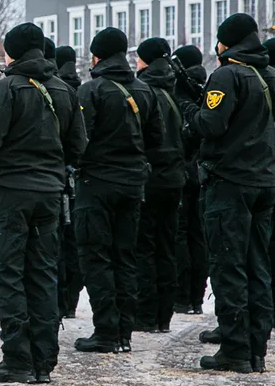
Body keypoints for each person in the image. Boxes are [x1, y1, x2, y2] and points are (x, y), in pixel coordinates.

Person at [0, 23, 87, 383]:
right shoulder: (64, 91)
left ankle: (17, 358)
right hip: (50, 194)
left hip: (9, 194)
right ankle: (44, 359)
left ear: (11, 52)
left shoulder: (5, 89)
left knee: (7, 273)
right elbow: (79, 146)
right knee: (43, 273)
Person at [180, 14, 275, 373]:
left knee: (228, 263)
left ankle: (234, 349)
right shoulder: (268, 74)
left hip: (229, 182)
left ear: (226, 42)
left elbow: (211, 125)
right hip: (263, 180)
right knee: (258, 266)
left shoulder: (227, 74)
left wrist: (190, 110)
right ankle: (256, 349)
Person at [72, 28, 162, 355]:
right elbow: (156, 141)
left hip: (96, 184)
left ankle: (106, 331)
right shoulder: (145, 90)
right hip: (133, 184)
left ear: (96, 56)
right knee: (125, 255)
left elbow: (79, 141)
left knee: (97, 256)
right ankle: (124, 331)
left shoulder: (91, 91)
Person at [133, 38, 186, 334]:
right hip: (175, 177)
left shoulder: (145, 91)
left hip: (151, 178)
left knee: (145, 246)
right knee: (167, 247)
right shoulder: (177, 88)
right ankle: (164, 315)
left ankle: (146, 313)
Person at [172, 44, 208, 316]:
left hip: (184, 171)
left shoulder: (182, 90)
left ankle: (183, 295)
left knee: (181, 234)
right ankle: (196, 296)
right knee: (198, 236)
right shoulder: (205, 86)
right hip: (203, 172)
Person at [54, 45, 83, 318]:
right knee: (73, 243)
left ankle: (61, 300)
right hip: (76, 178)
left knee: (57, 244)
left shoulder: (54, 90)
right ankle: (71, 301)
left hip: (53, 177)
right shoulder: (78, 89)